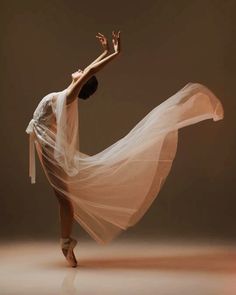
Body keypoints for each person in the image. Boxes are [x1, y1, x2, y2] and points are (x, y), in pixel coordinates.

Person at [25, 30, 224, 268]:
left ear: (81, 84)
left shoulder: (68, 96)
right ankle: (66, 243)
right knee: (65, 197)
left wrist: (115, 54)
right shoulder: (65, 95)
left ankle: (66, 244)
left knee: (65, 198)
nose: (80, 69)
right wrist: (105, 51)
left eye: (81, 76)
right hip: (45, 140)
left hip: (47, 145)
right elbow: (87, 72)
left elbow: (89, 72)